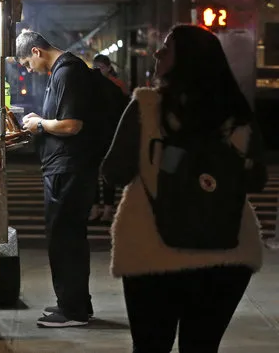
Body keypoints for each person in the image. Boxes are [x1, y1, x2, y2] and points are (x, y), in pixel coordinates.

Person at [101, 24, 267, 353]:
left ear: (186, 59)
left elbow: (115, 172)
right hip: (228, 253)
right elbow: (256, 180)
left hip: (151, 252)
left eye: (167, 47)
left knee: (151, 346)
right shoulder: (237, 115)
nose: (158, 53)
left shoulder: (146, 107)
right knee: (202, 347)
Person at [16, 31, 100, 328]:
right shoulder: (62, 72)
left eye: (27, 63)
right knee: (66, 237)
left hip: (68, 169)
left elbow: (71, 125)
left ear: (37, 51)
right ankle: (73, 303)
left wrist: (40, 123)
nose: (29, 70)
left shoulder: (67, 72)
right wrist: (40, 121)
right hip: (63, 168)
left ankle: (73, 311)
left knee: (65, 238)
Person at [89, 53, 129, 222]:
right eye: (95, 68)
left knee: (106, 174)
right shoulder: (90, 87)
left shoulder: (117, 86)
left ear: (107, 68)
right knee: (92, 173)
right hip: (95, 135)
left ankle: (107, 209)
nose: (97, 71)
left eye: (100, 68)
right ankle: (96, 207)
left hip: (110, 135)